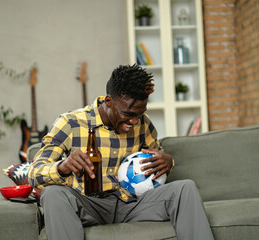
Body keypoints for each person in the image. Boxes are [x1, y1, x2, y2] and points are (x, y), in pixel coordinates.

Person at [28, 64, 214, 240]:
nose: (135, 121)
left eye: (139, 114)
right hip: (89, 205)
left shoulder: (143, 123)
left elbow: (156, 159)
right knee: (53, 194)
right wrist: (62, 167)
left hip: (132, 205)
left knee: (184, 188)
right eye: (129, 114)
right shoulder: (71, 123)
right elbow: (34, 173)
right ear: (109, 101)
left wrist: (167, 162)